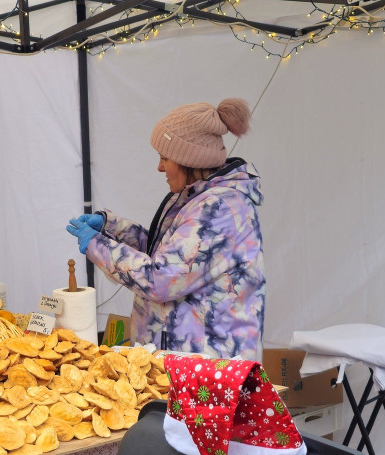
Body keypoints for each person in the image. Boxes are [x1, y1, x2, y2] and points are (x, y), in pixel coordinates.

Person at [67, 98, 265, 360]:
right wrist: (110, 227)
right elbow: (166, 253)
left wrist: (98, 246)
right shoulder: (197, 198)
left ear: (189, 159)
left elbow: (160, 279)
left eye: (165, 158)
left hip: (209, 369)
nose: (159, 167)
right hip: (184, 364)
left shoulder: (219, 209)